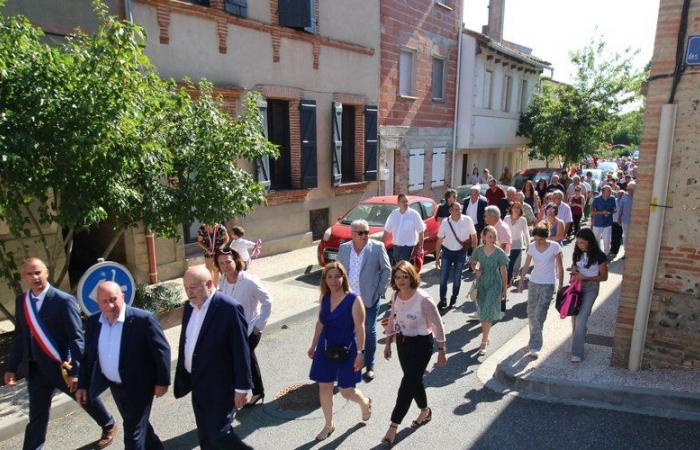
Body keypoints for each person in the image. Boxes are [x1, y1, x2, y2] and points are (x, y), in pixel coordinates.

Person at [4, 257, 117, 450]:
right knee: (37, 416)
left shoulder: (63, 301)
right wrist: (11, 368)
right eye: (30, 274)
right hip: (36, 369)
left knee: (85, 398)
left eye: (38, 272)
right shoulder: (22, 301)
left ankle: (108, 424)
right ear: (23, 277)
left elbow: (76, 338)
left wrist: (76, 372)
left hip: (62, 367)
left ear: (46, 273)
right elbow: (21, 336)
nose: (35, 277)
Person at [76, 281, 171, 450]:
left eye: (114, 299)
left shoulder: (143, 319)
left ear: (123, 297)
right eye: (104, 301)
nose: (110, 305)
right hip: (116, 386)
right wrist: (83, 384)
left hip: (140, 386)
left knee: (133, 436)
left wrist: (162, 381)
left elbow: (162, 351)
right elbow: (88, 357)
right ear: (98, 303)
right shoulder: (93, 323)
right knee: (139, 427)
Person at [174, 266, 253, 450]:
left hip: (221, 385)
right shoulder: (189, 307)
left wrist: (242, 387)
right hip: (197, 382)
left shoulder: (229, 308)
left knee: (219, 433)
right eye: (186, 287)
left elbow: (241, 350)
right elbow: (187, 340)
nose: (189, 292)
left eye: (193, 287)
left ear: (209, 284)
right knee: (205, 433)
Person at [381, 261, 446, 447]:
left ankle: (393, 426)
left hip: (421, 345)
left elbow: (438, 325)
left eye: (405, 276)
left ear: (412, 277)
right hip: (403, 343)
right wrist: (388, 343)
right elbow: (393, 318)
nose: (401, 280)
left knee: (406, 384)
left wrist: (442, 350)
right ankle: (425, 411)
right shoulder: (395, 295)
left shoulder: (423, 299)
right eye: (398, 277)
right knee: (414, 381)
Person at [308, 262, 372, 441]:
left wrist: (361, 352)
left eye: (337, 276)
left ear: (344, 278)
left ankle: (364, 402)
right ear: (325, 279)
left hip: (347, 350)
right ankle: (329, 425)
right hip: (325, 348)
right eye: (330, 277)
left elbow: (360, 329)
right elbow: (320, 322)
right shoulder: (325, 297)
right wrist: (313, 345)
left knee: (346, 391)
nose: (334, 280)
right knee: (324, 386)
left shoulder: (353, 299)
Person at [216, 248, 273, 406]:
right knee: (247, 360)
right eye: (221, 263)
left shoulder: (249, 281)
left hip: (250, 330)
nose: (225, 266)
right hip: (231, 331)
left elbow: (268, 302)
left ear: (236, 261)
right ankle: (257, 391)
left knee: (241, 360)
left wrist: (258, 326)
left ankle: (240, 393)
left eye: (228, 262)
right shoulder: (222, 280)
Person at [337, 219, 391, 381]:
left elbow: (386, 270)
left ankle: (370, 365)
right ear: (352, 234)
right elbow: (338, 271)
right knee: (348, 332)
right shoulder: (344, 249)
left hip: (369, 298)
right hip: (348, 300)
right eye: (360, 233)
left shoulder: (377, 247)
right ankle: (350, 363)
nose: (364, 235)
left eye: (367, 232)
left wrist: (379, 290)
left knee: (368, 330)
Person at [517, 226, 564, 359]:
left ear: (545, 237)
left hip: (548, 284)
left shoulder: (555, 247)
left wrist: (560, 286)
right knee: (531, 313)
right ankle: (534, 338)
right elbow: (526, 265)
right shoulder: (532, 246)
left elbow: (560, 267)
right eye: (535, 239)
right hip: (533, 283)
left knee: (540, 314)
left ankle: (535, 345)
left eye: (540, 240)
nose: (537, 242)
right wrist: (521, 281)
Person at [570, 228, 608, 362]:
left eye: (582, 243)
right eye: (577, 243)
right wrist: (573, 270)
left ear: (589, 241)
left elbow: (604, 277)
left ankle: (577, 353)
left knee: (581, 317)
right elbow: (575, 267)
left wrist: (585, 277)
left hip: (591, 288)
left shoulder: (600, 256)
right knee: (575, 317)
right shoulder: (577, 253)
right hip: (577, 287)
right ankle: (580, 336)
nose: (579, 245)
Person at [469, 226, 509, 354]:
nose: (493, 239)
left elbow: (503, 271)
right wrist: (476, 270)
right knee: (482, 312)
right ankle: (486, 335)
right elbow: (472, 262)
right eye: (490, 236)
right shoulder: (478, 250)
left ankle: (483, 341)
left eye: (494, 237)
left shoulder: (499, 253)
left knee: (487, 310)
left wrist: (504, 289)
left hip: (494, 284)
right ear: (484, 237)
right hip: (481, 284)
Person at [435, 203, 477, 309]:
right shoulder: (445, 222)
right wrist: (436, 258)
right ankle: (443, 300)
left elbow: (474, 236)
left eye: (460, 209)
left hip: (461, 253)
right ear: (450, 211)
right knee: (443, 278)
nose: (459, 211)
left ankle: (453, 298)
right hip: (447, 252)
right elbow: (439, 240)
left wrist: (474, 255)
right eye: (456, 209)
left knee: (457, 277)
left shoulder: (467, 220)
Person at [384, 193, 426, 265]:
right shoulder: (394, 214)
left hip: (408, 246)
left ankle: (404, 275)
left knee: (402, 265)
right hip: (396, 245)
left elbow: (421, 231)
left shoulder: (414, 214)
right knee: (398, 263)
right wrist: (382, 245)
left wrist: (420, 247)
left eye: (407, 201)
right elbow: (386, 230)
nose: (406, 203)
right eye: (403, 201)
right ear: (398, 203)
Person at [504, 202, 529, 285]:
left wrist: (528, 245)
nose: (516, 209)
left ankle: (508, 281)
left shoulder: (523, 220)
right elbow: (502, 231)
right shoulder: (506, 218)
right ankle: (508, 280)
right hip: (507, 244)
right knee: (507, 263)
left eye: (518, 207)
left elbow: (526, 233)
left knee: (511, 263)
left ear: (520, 210)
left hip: (517, 245)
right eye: (515, 207)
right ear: (511, 208)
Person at [591, 185, 617, 256]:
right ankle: (596, 254)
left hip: (608, 223)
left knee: (607, 240)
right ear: (602, 192)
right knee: (596, 240)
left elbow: (614, 209)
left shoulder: (612, 199)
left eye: (610, 191)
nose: (609, 193)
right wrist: (601, 212)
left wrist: (610, 212)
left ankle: (606, 255)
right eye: (608, 191)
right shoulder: (596, 199)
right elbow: (592, 212)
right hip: (597, 223)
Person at [618, 181, 635, 257]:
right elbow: (621, 207)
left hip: (635, 221)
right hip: (625, 220)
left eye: (629, 189)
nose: (627, 190)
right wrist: (619, 218)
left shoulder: (638, 197)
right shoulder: (624, 196)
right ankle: (626, 252)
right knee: (626, 236)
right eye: (627, 189)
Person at [610, 189, 625, 258]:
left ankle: (615, 251)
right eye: (618, 194)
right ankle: (612, 249)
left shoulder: (625, 202)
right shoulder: (614, 201)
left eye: (621, 195)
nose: (619, 196)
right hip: (613, 221)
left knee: (618, 237)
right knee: (613, 236)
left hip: (620, 222)